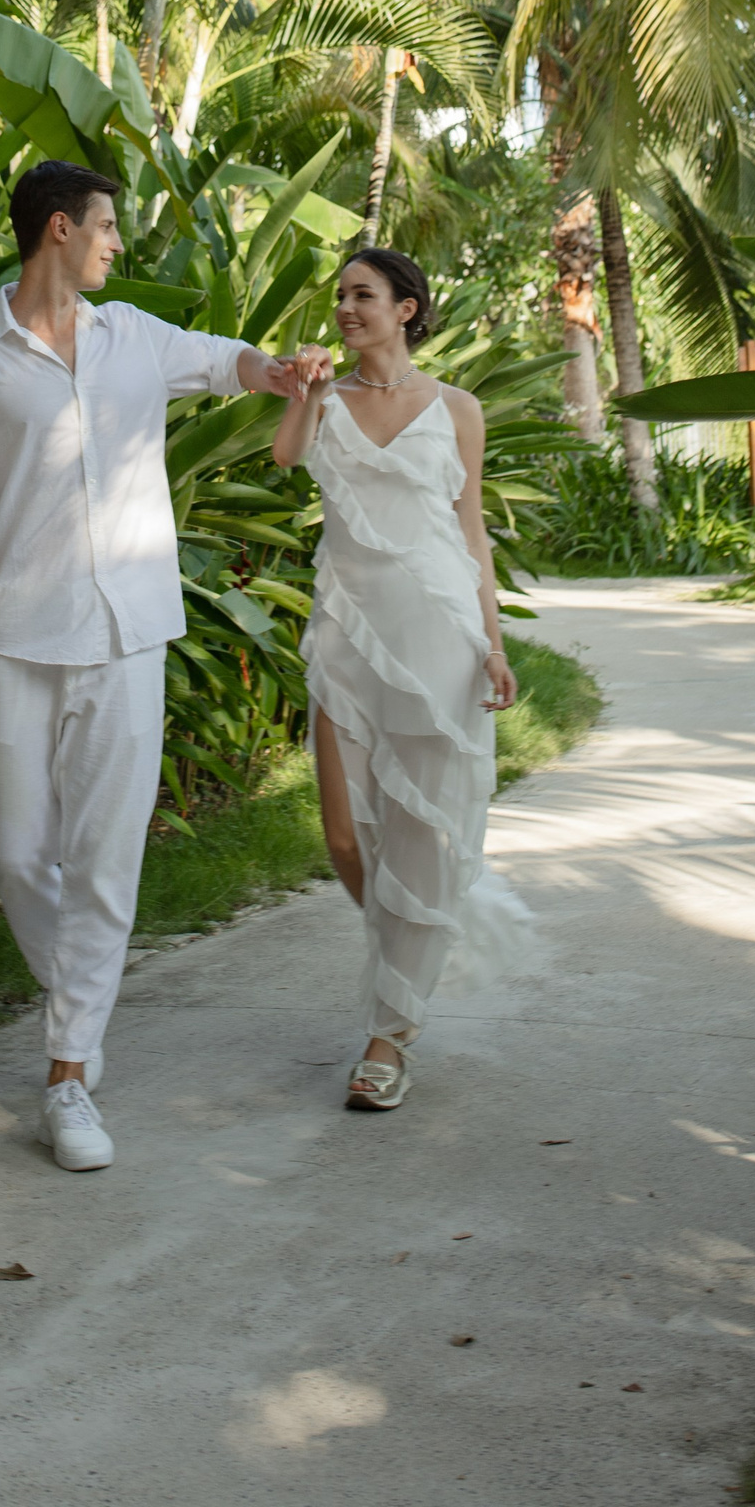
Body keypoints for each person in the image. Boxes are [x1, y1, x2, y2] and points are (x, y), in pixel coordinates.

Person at [0, 159, 331, 1173]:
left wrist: (285, 369)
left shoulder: (134, 336)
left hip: (129, 636)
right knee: (17, 853)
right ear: (59, 229)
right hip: (18, 634)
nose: (116, 243)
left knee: (105, 861)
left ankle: (68, 1075)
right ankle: (80, 1004)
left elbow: (231, 363)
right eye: (105, 227)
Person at [273, 245, 532, 1110]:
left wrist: (493, 644)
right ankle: (412, 952)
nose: (347, 309)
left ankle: (388, 1037)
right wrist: (305, 391)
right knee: (346, 837)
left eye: (364, 295)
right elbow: (284, 457)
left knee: (420, 832)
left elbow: (472, 533)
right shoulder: (325, 398)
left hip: (438, 637)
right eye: (341, 297)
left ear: (406, 308)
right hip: (347, 631)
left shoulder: (457, 407)